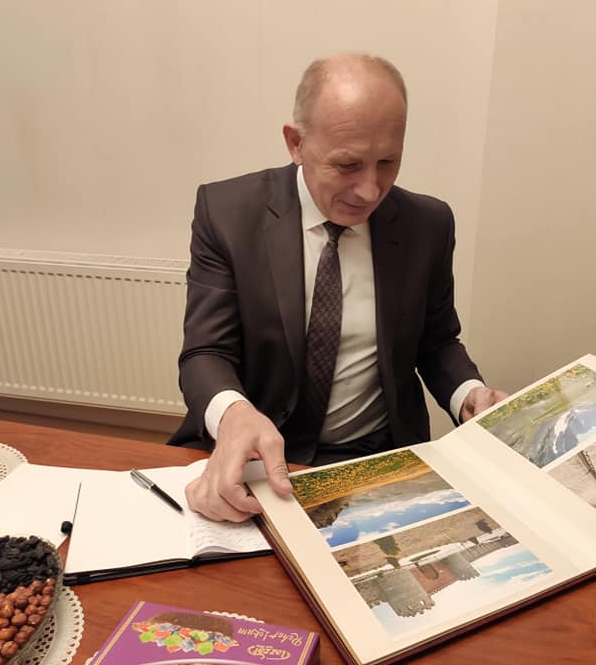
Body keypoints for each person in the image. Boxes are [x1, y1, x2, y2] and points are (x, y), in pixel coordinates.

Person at [170, 53, 507, 521]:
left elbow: (436, 341)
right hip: (258, 459)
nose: (370, 190)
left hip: (375, 458)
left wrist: (468, 393)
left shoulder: (427, 223)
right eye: (347, 165)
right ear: (296, 143)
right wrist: (233, 414)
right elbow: (206, 352)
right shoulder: (228, 213)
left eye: (387, 162)